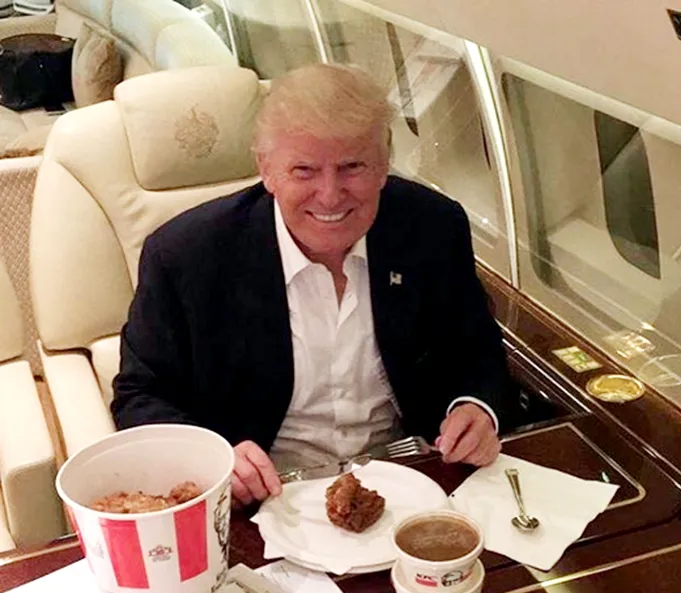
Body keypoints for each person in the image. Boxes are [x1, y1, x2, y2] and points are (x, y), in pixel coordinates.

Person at [111, 63, 517, 508]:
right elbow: (140, 396)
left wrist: (476, 407)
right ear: (267, 170)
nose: (330, 194)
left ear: (384, 165)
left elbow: (477, 350)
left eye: (352, 167)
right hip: (262, 496)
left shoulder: (433, 227)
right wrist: (212, 460)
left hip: (410, 480)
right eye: (304, 170)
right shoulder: (185, 255)